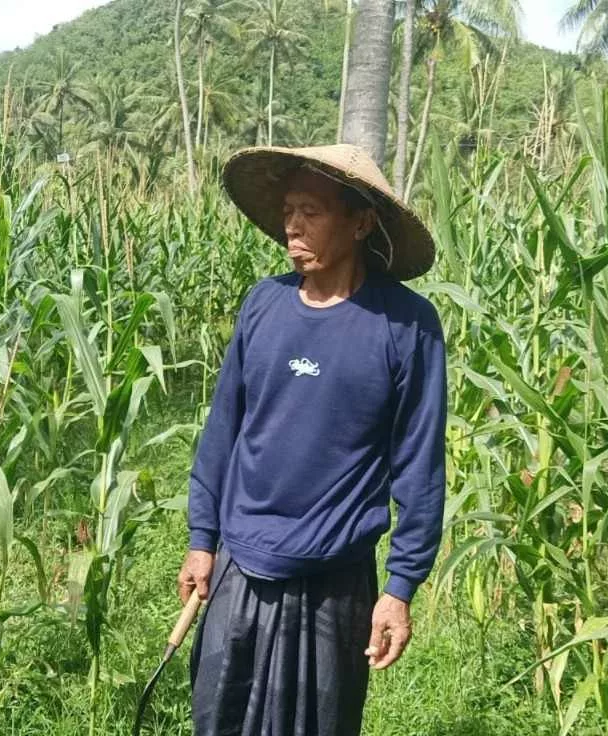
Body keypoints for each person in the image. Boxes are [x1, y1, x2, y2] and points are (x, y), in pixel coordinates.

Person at [178, 144, 447, 736]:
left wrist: (400, 588)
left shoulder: (406, 326)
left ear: (360, 221)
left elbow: (420, 470)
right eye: (288, 210)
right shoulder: (264, 303)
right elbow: (222, 432)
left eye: (312, 211)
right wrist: (203, 540)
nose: (292, 225)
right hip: (239, 567)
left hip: (335, 583)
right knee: (218, 720)